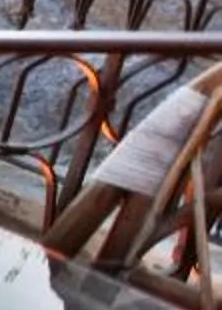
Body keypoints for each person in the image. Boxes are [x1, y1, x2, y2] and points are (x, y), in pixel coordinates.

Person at [44, 64, 222, 268]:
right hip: (169, 131)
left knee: (114, 240)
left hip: (170, 134)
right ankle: (58, 268)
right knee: (108, 202)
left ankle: (99, 269)